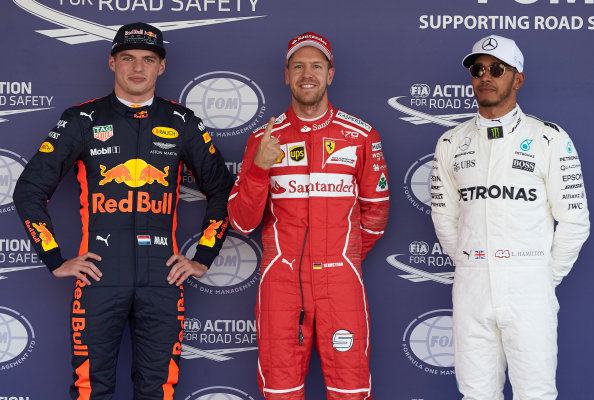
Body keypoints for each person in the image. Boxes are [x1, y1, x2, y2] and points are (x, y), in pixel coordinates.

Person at [13, 22, 233, 399]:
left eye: (148, 59)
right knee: (89, 390)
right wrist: (54, 258)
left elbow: (222, 192)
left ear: (160, 67)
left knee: (158, 390)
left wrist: (203, 257)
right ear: (112, 62)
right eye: (128, 58)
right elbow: (29, 190)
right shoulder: (82, 119)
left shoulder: (182, 122)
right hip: (99, 276)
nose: (137, 68)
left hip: (163, 279)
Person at [227, 32, 389, 400]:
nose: (307, 74)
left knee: (351, 390)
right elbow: (241, 222)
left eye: (316, 65)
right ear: (286, 75)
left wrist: (340, 258)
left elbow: (376, 215)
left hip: (342, 281)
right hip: (280, 283)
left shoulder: (361, 135)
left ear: (330, 74)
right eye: (298, 66)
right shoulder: (263, 139)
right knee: (280, 391)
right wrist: (258, 170)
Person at [430, 34, 590, 399]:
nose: (486, 76)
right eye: (478, 69)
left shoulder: (549, 138)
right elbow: (444, 217)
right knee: (475, 393)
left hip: (529, 286)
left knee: (535, 393)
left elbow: (575, 219)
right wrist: (475, 264)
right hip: (472, 286)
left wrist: (542, 277)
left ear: (517, 78)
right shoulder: (451, 142)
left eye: (497, 69)